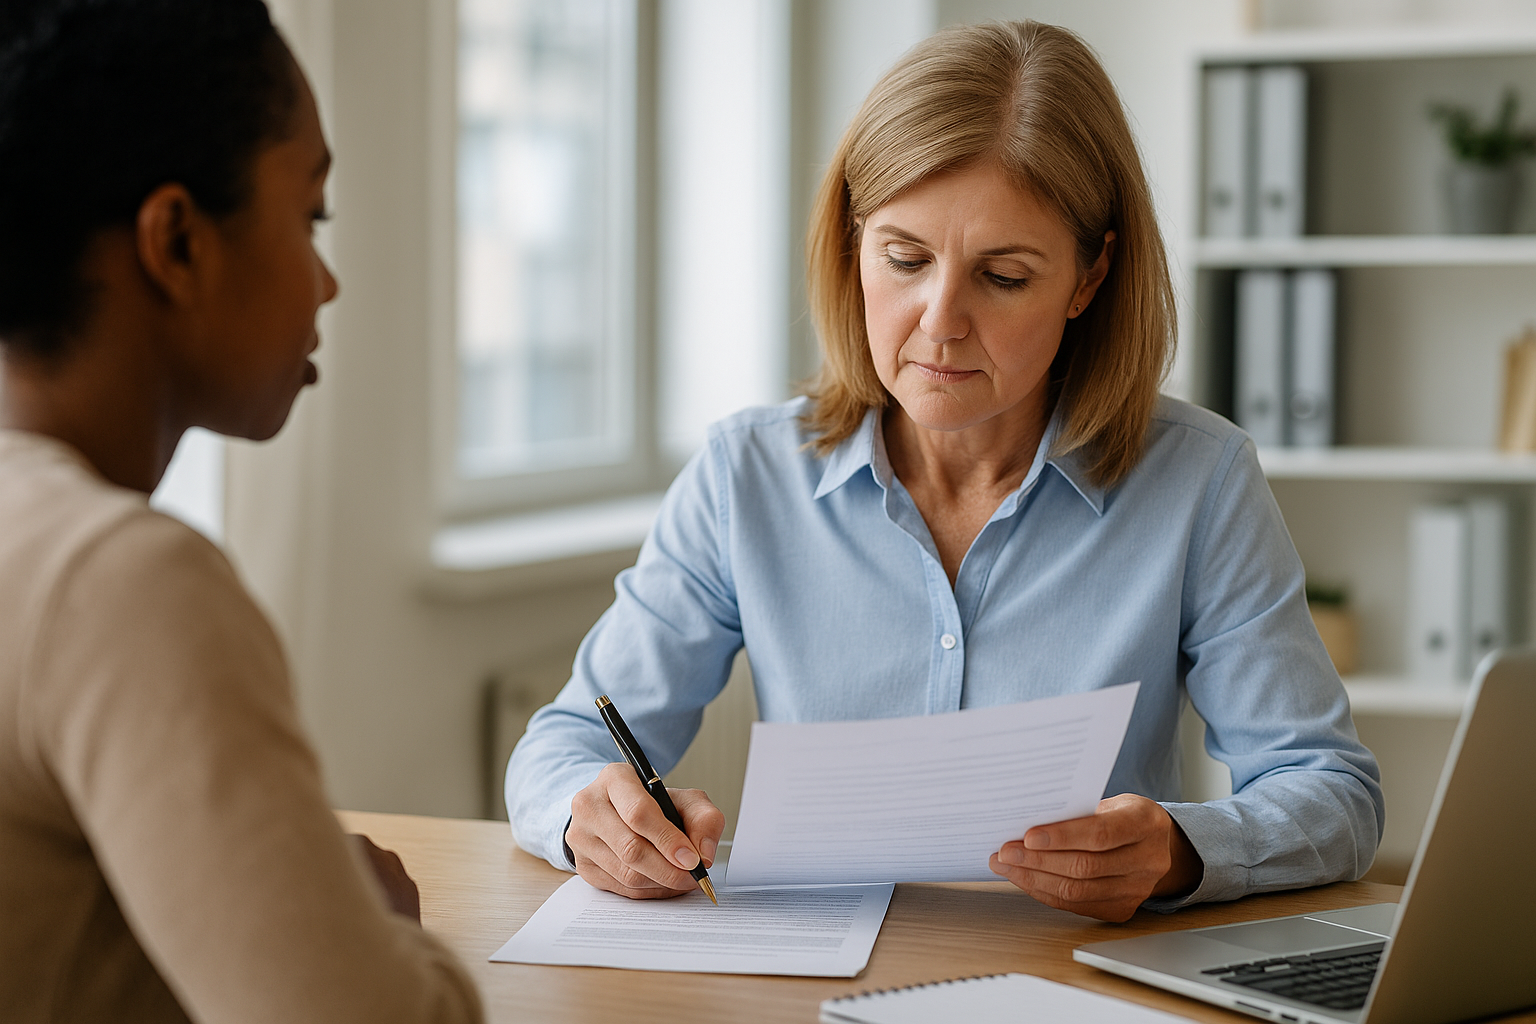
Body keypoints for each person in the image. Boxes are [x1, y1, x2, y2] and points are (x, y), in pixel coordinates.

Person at [507, 19, 1384, 925]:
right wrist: (591, 821)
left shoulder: (1199, 484)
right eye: (904, 259)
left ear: (1089, 279)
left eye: (1004, 276)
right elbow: (565, 743)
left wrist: (1179, 850)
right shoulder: (744, 477)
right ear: (852, 247)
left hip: (1075, 985)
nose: (940, 320)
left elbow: (1333, 793)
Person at [0, 2, 483, 1021]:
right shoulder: (116, 578)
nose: (329, 279)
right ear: (177, 240)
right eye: (310, 215)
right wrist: (379, 927)